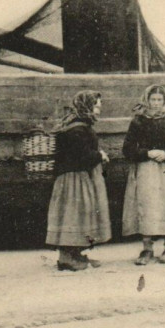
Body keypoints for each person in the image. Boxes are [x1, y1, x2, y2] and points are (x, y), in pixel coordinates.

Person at [122, 85, 165, 265]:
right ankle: (147, 249)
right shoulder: (138, 122)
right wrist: (146, 153)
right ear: (147, 100)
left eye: (160, 100)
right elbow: (127, 149)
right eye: (153, 100)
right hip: (146, 170)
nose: (156, 104)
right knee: (148, 206)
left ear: (164, 101)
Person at [46, 90, 111, 271]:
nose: (98, 110)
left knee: (80, 215)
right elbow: (81, 156)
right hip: (73, 179)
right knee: (73, 215)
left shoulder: (77, 124)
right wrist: (100, 155)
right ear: (87, 106)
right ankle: (66, 258)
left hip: (77, 176)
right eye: (96, 106)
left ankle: (75, 254)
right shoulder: (76, 129)